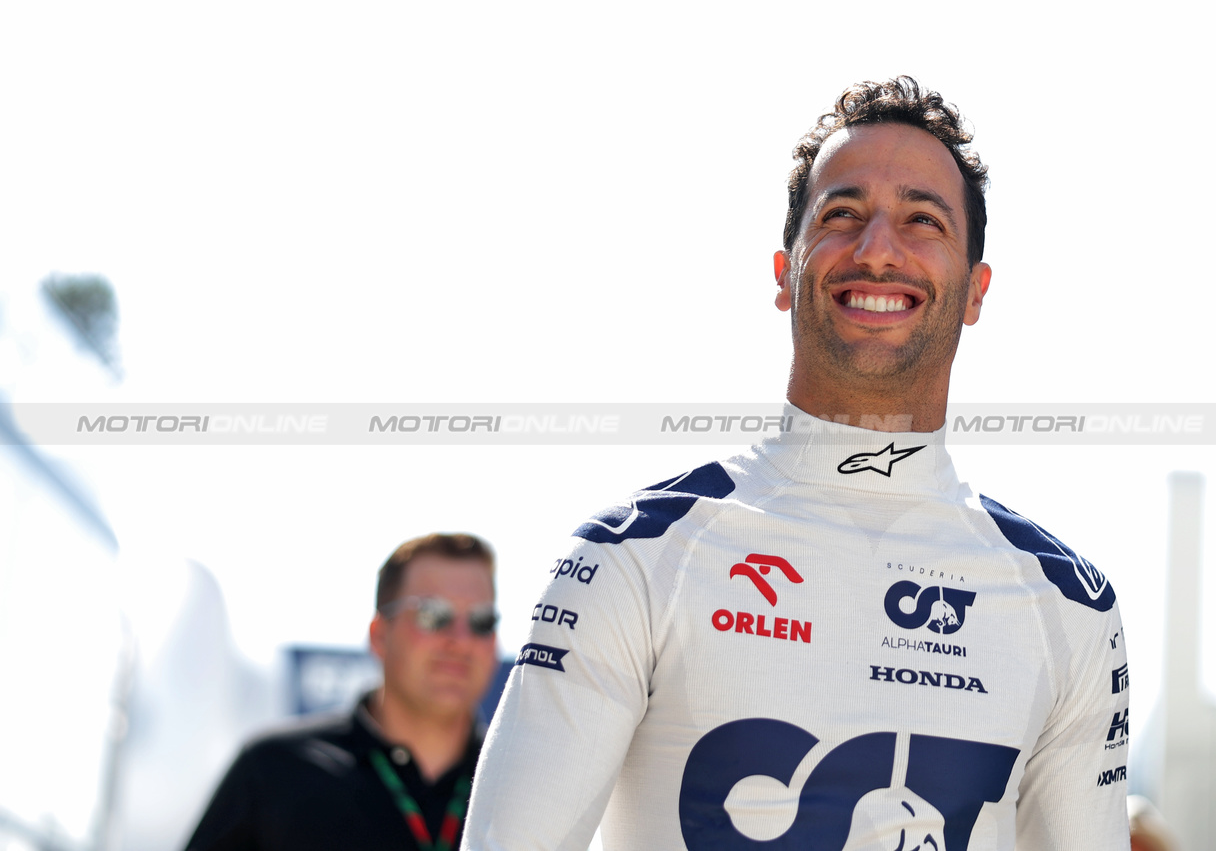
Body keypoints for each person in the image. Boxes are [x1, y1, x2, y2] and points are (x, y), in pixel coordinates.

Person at [462, 77, 1130, 849]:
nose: (879, 249)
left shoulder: (1069, 609)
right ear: (785, 272)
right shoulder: (635, 555)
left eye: (923, 220)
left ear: (976, 290)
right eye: (843, 214)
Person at [186, 533, 499, 851]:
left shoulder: (523, 782)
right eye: (434, 615)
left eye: (482, 621)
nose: (460, 640)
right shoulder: (275, 770)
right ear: (379, 635)